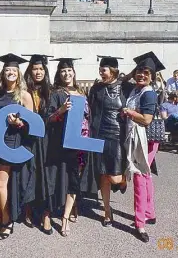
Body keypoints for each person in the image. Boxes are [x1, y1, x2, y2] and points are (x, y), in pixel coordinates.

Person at [0, 53, 34, 240]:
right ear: (2, 73)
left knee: (0, 184)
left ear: (18, 73)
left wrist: (19, 123)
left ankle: (7, 221)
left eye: (13, 70)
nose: (10, 72)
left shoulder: (24, 95)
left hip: (10, 144)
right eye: (7, 70)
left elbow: (32, 123)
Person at [123, 51, 165, 243]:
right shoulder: (135, 89)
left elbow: (146, 120)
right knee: (146, 175)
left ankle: (140, 223)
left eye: (146, 73)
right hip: (140, 137)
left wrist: (129, 112)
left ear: (152, 77)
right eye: (139, 71)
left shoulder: (148, 93)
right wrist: (134, 72)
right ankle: (149, 213)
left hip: (145, 139)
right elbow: (124, 81)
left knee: (139, 176)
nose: (141, 75)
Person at [46, 57, 88, 237]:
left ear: (74, 72)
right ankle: (64, 218)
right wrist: (61, 110)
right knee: (67, 177)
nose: (67, 73)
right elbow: (48, 118)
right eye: (63, 71)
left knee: (75, 178)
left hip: (82, 142)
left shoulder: (81, 92)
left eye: (69, 70)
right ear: (59, 74)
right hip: (65, 142)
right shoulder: (56, 93)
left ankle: (71, 207)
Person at [88, 56, 128, 227]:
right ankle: (106, 212)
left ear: (113, 71)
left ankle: (124, 180)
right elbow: (90, 109)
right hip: (99, 134)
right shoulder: (96, 88)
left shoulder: (125, 87)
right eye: (100, 69)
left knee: (115, 178)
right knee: (103, 175)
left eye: (103, 70)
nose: (100, 72)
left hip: (118, 135)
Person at [23, 54, 53, 234]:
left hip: (48, 139)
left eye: (41, 69)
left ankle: (46, 214)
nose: (38, 71)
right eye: (35, 68)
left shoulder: (51, 90)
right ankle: (27, 209)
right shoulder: (24, 90)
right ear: (30, 71)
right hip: (29, 138)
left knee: (47, 176)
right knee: (30, 174)